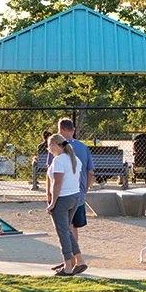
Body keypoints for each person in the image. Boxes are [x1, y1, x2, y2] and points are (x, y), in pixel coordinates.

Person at [47, 118, 95, 246]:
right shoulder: (83, 147)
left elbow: (51, 174)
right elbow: (90, 172)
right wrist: (85, 189)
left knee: (65, 226)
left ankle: (70, 253)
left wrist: (49, 195)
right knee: (74, 226)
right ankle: (75, 253)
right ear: (73, 130)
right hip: (78, 192)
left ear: (60, 130)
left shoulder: (56, 147)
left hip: (62, 194)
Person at [45, 133, 87, 276]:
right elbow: (78, 179)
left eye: (49, 146)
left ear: (55, 145)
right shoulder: (75, 159)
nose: (49, 149)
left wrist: (52, 203)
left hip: (62, 199)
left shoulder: (59, 160)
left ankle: (68, 267)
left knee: (63, 233)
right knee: (67, 231)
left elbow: (57, 183)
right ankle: (79, 261)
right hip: (74, 197)